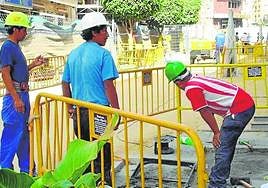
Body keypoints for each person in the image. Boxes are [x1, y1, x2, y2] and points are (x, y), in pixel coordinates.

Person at [165, 61, 255, 188]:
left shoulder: (192, 89)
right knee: (226, 144)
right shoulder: (196, 78)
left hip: (240, 109)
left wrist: (216, 133)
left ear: (177, 82)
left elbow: (205, 111)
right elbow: (207, 108)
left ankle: (217, 183)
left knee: (222, 146)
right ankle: (219, 178)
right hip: (243, 105)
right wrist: (217, 132)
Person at [61, 12, 120, 186]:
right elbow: (108, 85)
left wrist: (70, 108)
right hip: (99, 113)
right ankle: (103, 183)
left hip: (79, 113)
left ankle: (86, 183)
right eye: (104, 30)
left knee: (85, 152)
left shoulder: (73, 54)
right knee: (102, 152)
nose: (107, 34)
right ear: (94, 32)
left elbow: (65, 83)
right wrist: (117, 112)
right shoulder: (103, 55)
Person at [0, 12, 47, 173]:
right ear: (16, 29)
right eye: (24, 29)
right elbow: (5, 73)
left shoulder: (15, 48)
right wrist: (16, 98)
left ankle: (27, 171)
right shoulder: (7, 47)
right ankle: (5, 173)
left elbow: (17, 72)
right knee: (12, 135)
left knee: (23, 135)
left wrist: (33, 64)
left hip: (22, 95)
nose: (26, 33)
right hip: (16, 98)